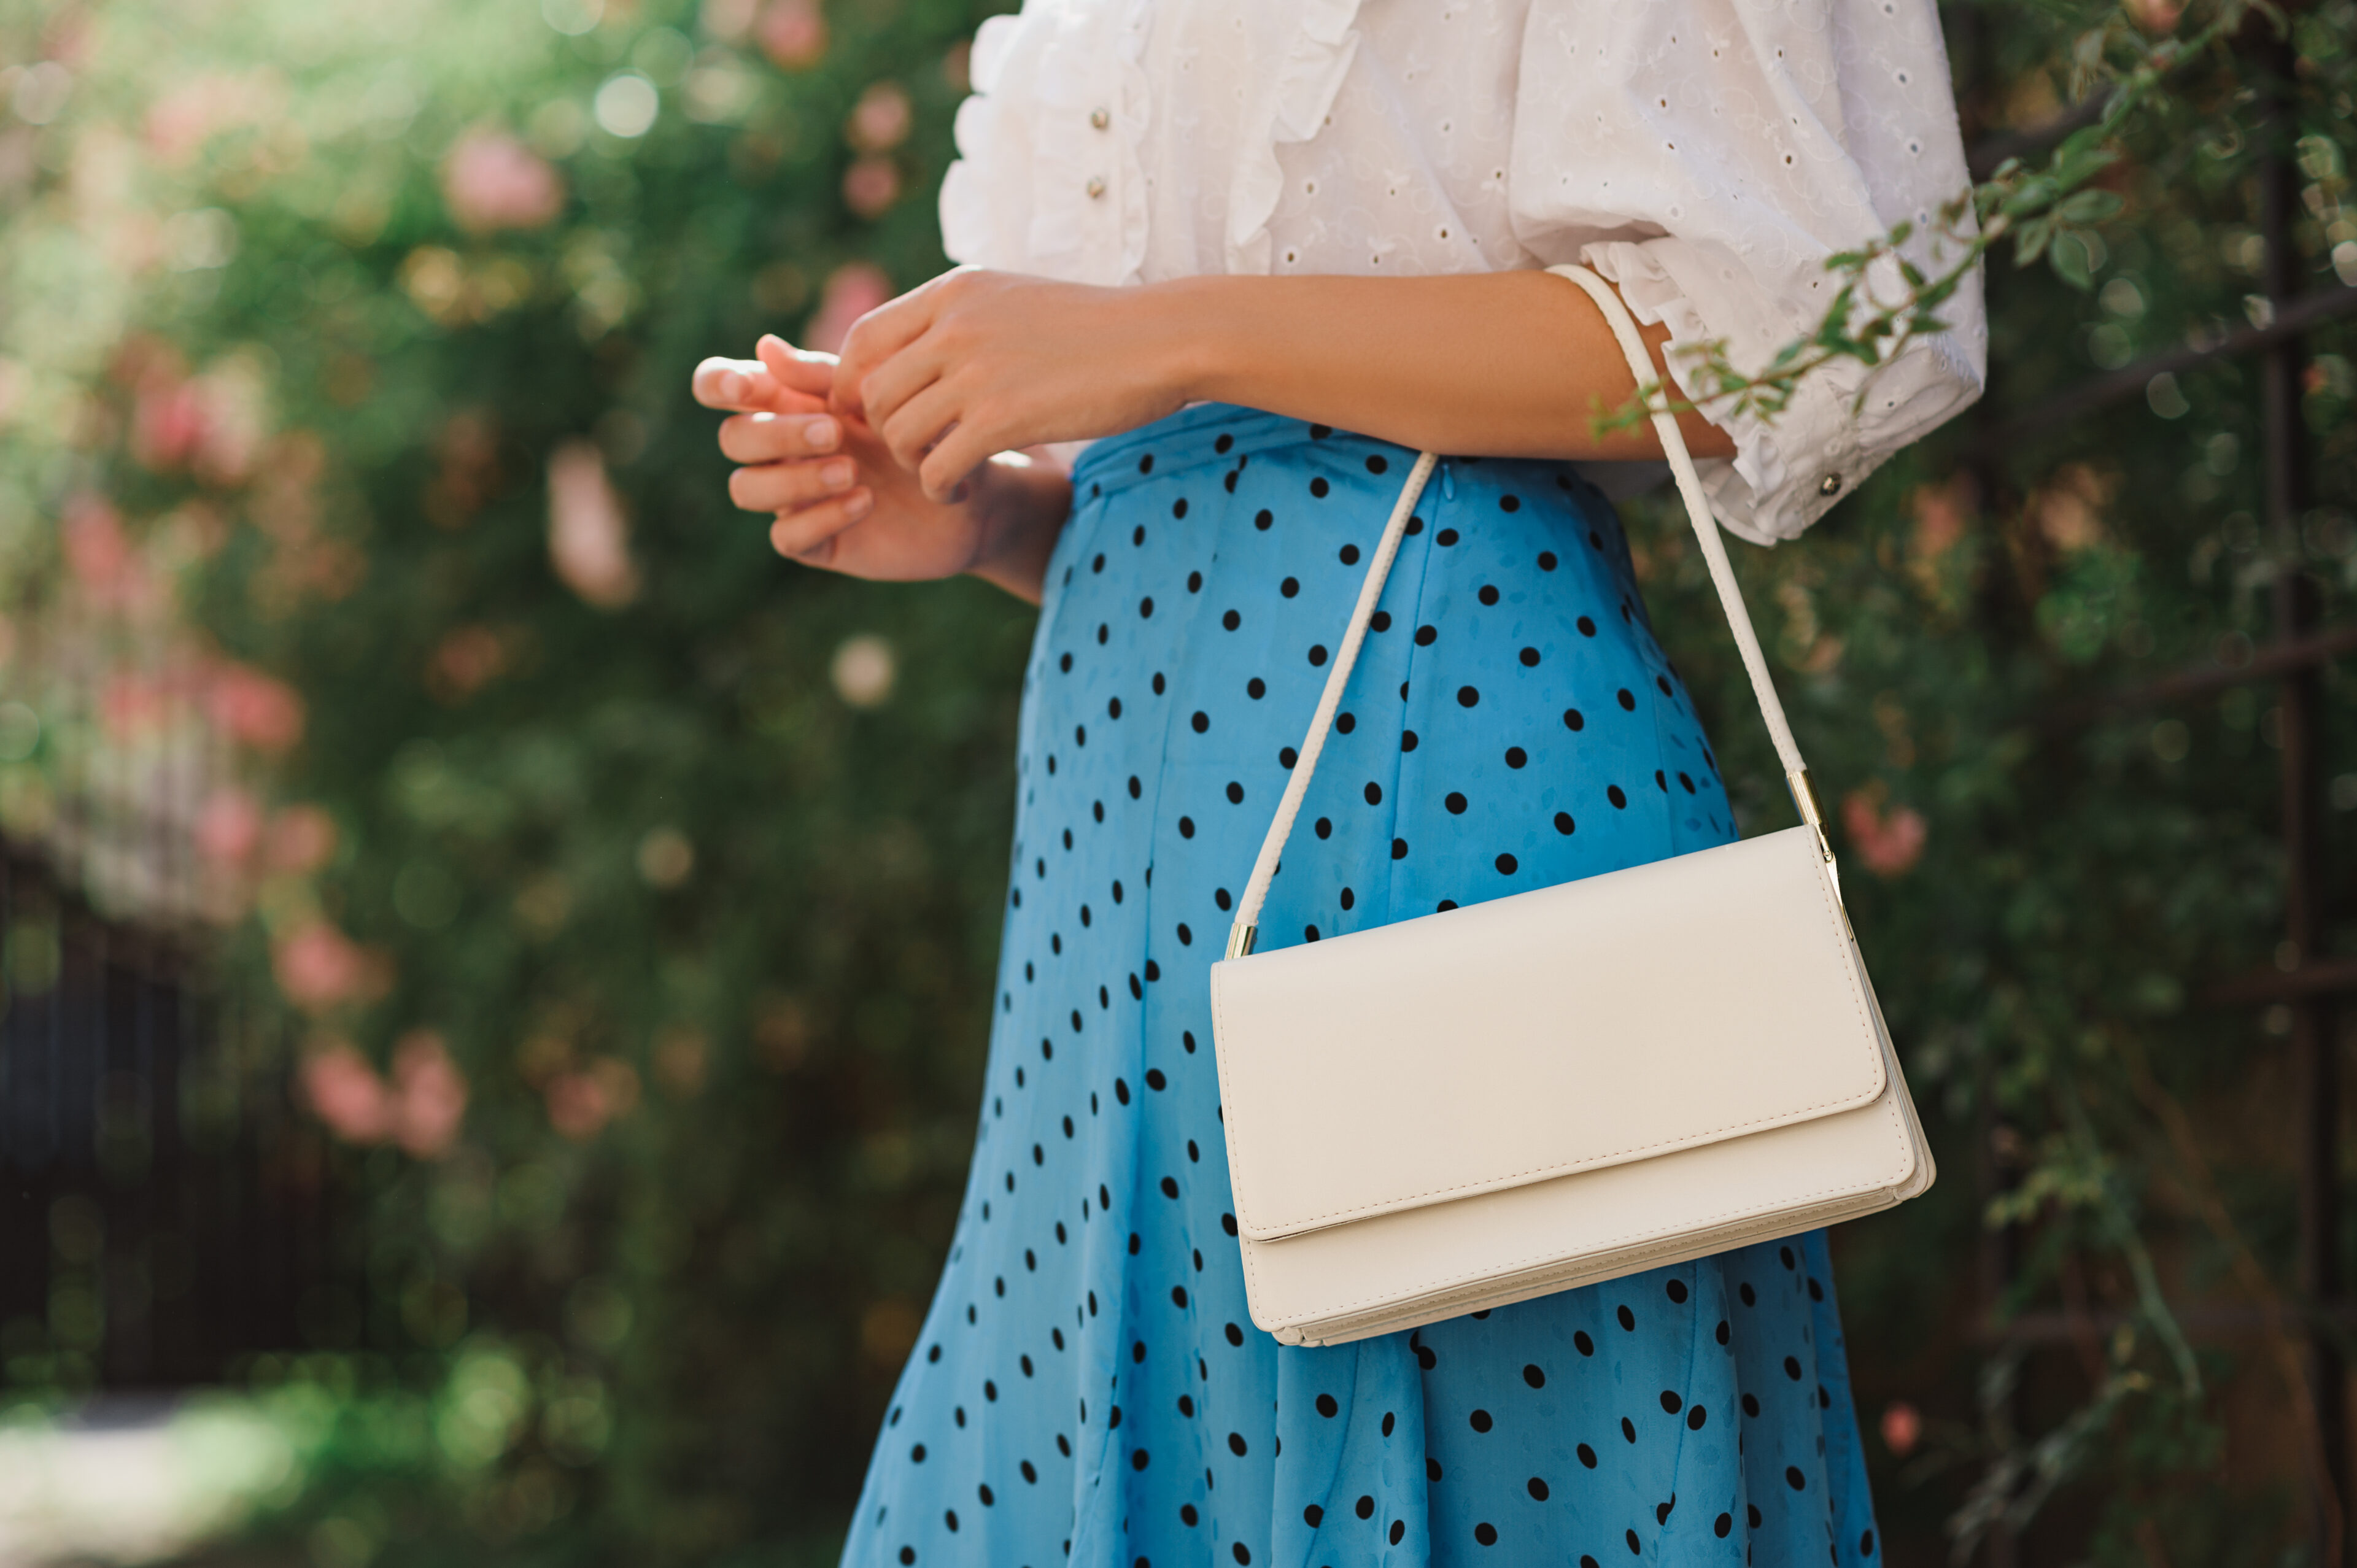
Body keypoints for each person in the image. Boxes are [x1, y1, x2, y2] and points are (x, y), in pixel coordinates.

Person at [695, 1, 1984, 1563]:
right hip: (1108, 901)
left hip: (1446, 800)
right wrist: (998, 519)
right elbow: (1222, 488)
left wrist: (1166, 333)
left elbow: (1755, 344)